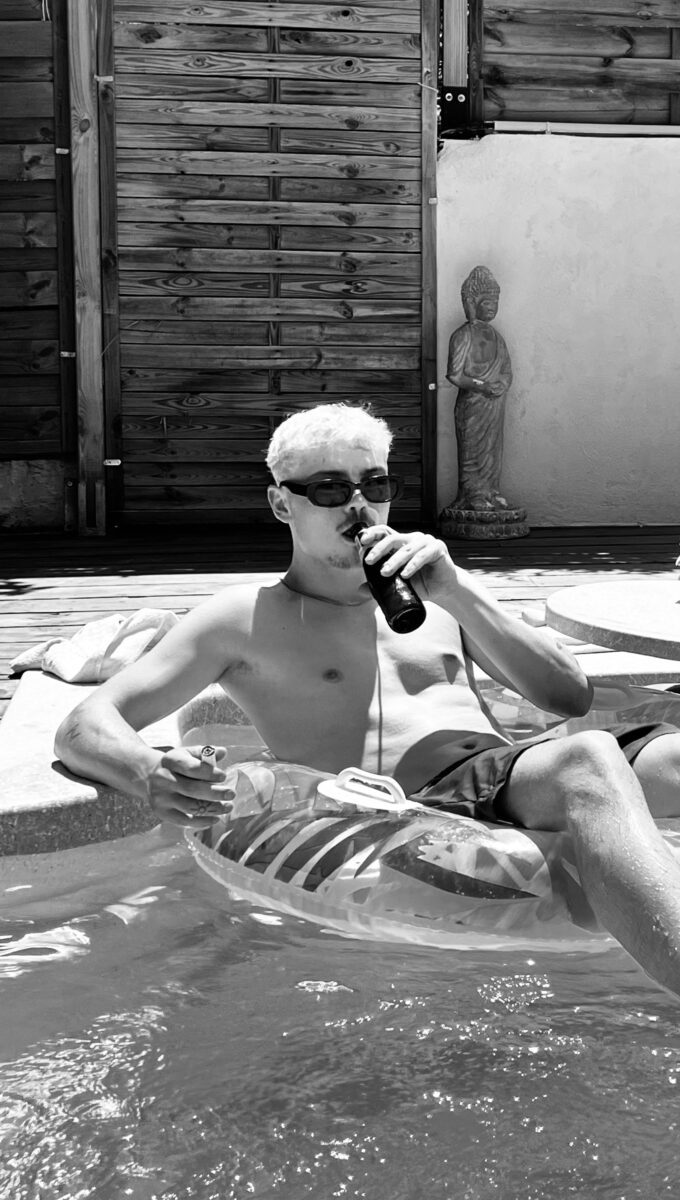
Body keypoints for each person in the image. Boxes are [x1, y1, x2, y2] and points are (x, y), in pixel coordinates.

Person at [55, 403, 680, 998]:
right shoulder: (242, 618)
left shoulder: (437, 590)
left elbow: (568, 695)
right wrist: (149, 773)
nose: (358, 504)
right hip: (410, 803)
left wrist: (457, 591)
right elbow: (84, 725)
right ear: (281, 503)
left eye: (375, 485)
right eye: (329, 489)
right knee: (588, 760)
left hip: (509, 772)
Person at [446, 265, 513, 511]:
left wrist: (501, 384)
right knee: (472, 449)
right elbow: (454, 375)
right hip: (472, 405)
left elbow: (506, 370)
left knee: (492, 449)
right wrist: (482, 386)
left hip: (493, 405)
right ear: (473, 303)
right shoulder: (463, 335)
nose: (493, 307)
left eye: (496, 302)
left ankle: (491, 491)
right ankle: (472, 494)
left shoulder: (497, 337)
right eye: (487, 302)